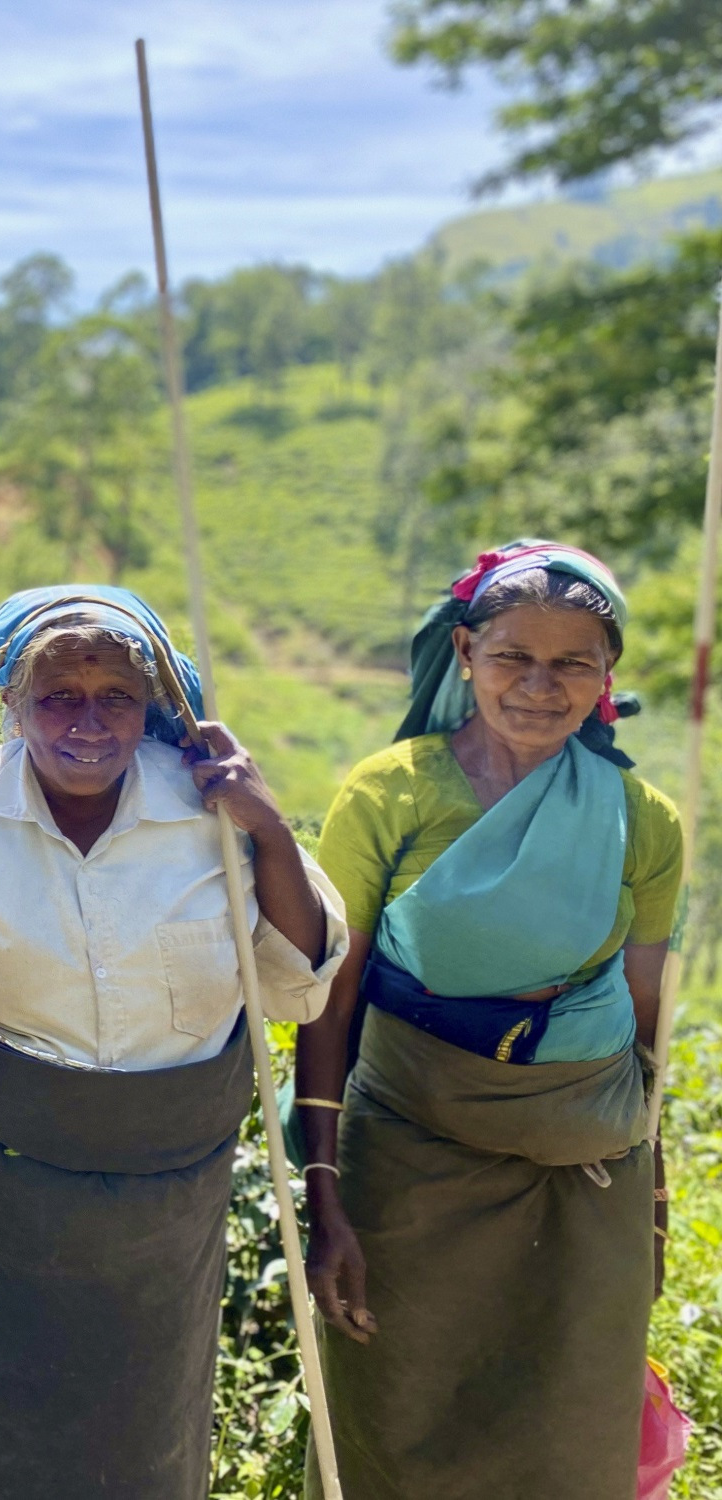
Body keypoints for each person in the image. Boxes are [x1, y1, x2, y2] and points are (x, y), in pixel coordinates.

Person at [0, 585, 348, 1500]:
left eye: (114, 696)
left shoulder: (217, 816)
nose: (87, 723)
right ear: (13, 705)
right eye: (58, 698)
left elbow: (297, 986)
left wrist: (268, 828)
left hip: (162, 1230)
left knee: (144, 1459)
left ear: (147, 706)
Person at [297, 541, 681, 1500]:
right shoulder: (391, 792)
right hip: (409, 1164)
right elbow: (329, 1004)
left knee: (567, 1431)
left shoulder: (643, 819)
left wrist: (654, 1192)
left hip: (586, 1177)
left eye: (573, 664)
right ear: (464, 653)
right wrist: (325, 1188)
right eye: (514, 657)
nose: (540, 687)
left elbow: (645, 1028)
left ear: (606, 678)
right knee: (396, 1421)